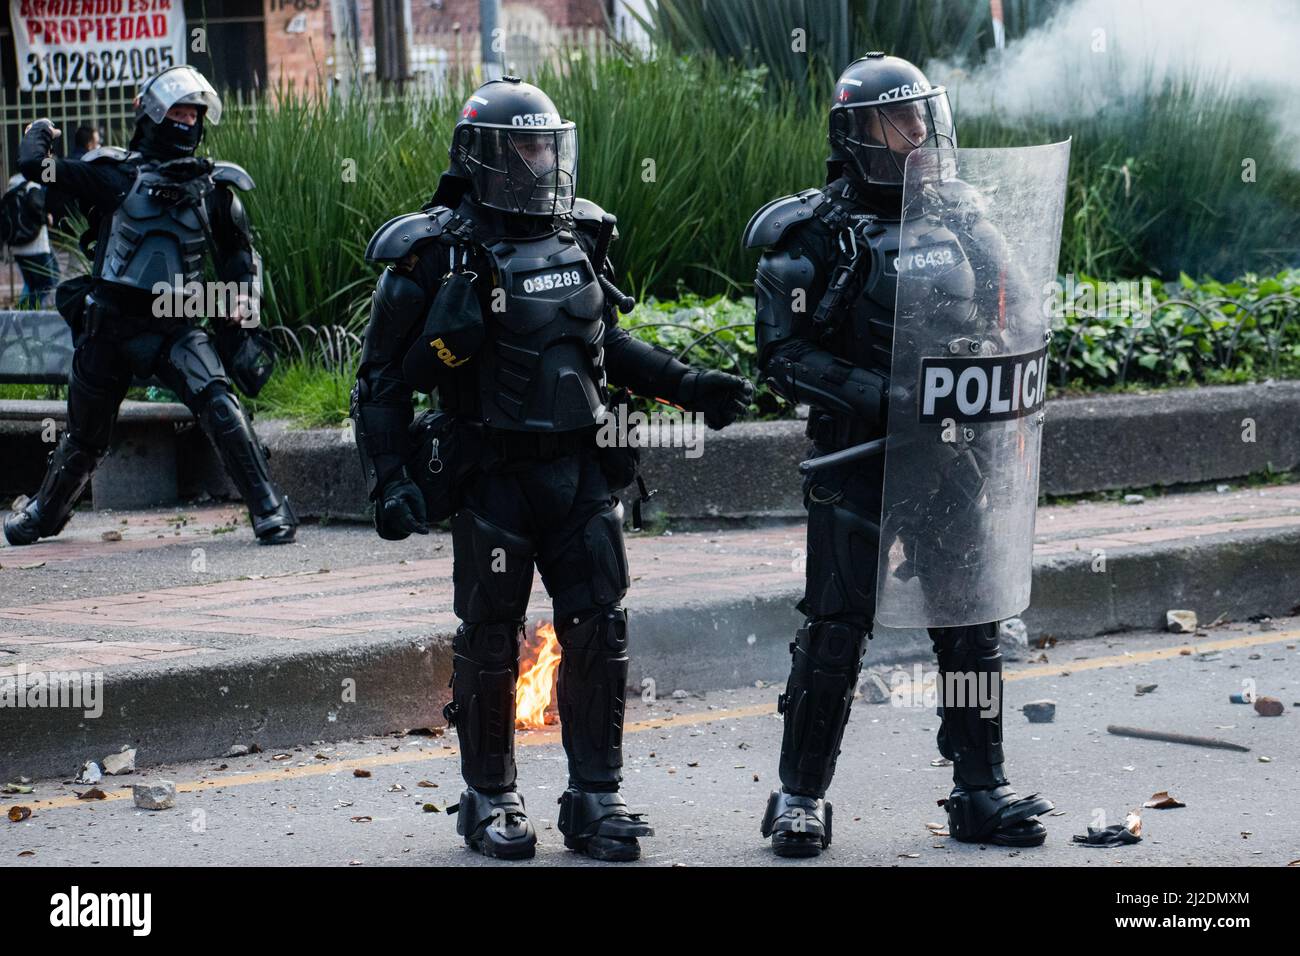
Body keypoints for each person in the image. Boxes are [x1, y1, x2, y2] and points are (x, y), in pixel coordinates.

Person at [353, 76, 753, 861]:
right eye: (522, 148)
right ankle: (489, 799)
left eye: (546, 146)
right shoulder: (433, 252)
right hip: (492, 474)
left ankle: (595, 800)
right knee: (491, 640)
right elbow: (381, 383)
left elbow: (606, 345)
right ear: (481, 157)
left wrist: (687, 386)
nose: (539, 163)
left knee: (600, 630)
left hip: (580, 473)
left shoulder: (582, 236)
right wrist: (388, 478)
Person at [745, 53, 1053, 857]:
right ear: (857, 134)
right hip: (859, 462)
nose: (921, 132)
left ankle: (979, 792)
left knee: (970, 629)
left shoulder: (959, 214)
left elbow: (1022, 309)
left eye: (926, 114)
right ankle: (799, 799)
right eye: (901, 120)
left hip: (954, 460)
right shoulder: (811, 235)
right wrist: (887, 396)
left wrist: (1009, 348)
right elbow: (782, 356)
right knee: (836, 630)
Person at [4, 65, 297, 547]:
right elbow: (40, 170)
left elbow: (241, 262)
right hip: (110, 326)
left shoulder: (214, 191)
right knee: (84, 440)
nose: (187, 121)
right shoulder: (114, 175)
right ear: (156, 114)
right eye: (178, 111)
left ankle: (268, 507)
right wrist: (39, 135)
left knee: (221, 406)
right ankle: (43, 514)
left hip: (176, 325)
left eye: (194, 113)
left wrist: (240, 308)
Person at [3, 172, 59, 307]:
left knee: (33, 284)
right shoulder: (33, 185)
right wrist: (47, 218)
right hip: (36, 246)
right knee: (47, 284)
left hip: (17, 246)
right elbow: (35, 207)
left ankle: (20, 312)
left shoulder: (12, 184)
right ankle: (24, 313)